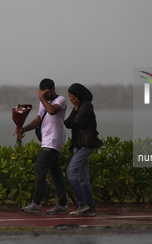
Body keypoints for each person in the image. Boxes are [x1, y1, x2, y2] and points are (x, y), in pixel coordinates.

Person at [16, 78, 68, 214]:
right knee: (56, 174)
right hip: (47, 141)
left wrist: (42, 98)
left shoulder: (60, 100)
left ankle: (36, 203)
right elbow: (38, 120)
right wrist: (23, 128)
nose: (44, 95)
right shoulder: (43, 103)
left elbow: (51, 111)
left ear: (53, 89)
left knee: (39, 169)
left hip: (54, 140)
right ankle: (63, 205)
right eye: (42, 92)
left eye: (47, 92)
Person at [64, 83, 103, 217]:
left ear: (78, 95)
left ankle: (82, 203)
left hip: (85, 145)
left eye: (72, 96)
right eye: (69, 96)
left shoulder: (87, 106)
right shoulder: (78, 107)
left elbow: (78, 121)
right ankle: (90, 208)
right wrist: (75, 107)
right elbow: (68, 123)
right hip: (78, 146)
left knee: (71, 171)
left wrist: (75, 107)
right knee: (83, 178)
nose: (70, 98)